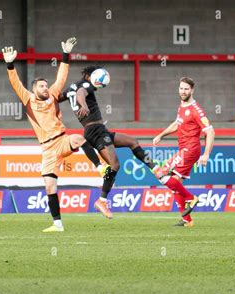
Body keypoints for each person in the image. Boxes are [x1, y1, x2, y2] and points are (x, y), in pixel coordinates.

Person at [60, 65, 163, 219]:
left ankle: (155, 168)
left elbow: (60, 97)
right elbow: (81, 93)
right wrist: (84, 106)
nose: (97, 86)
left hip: (100, 129)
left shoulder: (70, 88)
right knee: (114, 165)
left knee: (132, 142)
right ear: (90, 76)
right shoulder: (86, 85)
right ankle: (102, 200)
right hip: (95, 130)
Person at [2, 37, 82, 232]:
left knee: (81, 138)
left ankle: (101, 167)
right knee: (49, 187)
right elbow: (15, 83)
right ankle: (57, 224)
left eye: (46, 85)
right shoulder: (27, 98)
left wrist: (65, 55)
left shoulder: (53, 93)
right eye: (41, 86)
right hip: (47, 149)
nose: (46, 88)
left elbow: (61, 78)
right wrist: (10, 64)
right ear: (34, 89)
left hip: (62, 139)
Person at [153, 77, 215, 227]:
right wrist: (161, 135)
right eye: (181, 88)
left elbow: (210, 131)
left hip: (191, 148)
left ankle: (191, 198)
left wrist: (206, 154)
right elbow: (177, 124)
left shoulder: (196, 110)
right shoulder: (182, 105)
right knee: (175, 183)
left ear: (192, 90)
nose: (183, 91)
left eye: (186, 89)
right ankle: (187, 220)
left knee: (161, 173)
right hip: (185, 148)